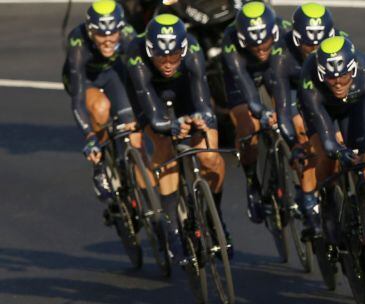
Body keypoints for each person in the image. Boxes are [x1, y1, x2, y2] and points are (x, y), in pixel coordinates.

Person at [298, 35, 365, 286]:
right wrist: (339, 151)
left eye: (343, 77)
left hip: (356, 109)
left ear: (353, 69)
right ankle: (327, 205)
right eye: (331, 78)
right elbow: (326, 135)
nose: (337, 83)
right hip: (320, 110)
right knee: (326, 156)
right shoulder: (310, 80)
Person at [126, 13, 228, 263]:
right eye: (162, 57)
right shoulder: (135, 54)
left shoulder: (192, 49)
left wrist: (200, 118)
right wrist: (170, 126)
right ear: (151, 50)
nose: (169, 62)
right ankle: (172, 229)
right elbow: (153, 115)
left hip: (185, 92)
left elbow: (203, 101)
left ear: (182, 49)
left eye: (174, 56)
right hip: (151, 96)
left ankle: (215, 219)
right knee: (163, 145)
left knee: (209, 158)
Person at [269, 2, 338, 236]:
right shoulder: (282, 55)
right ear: (297, 38)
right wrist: (295, 144)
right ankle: (308, 196)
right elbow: (282, 108)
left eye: (321, 43)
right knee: (304, 134)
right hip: (293, 94)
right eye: (309, 44)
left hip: (327, 93)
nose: (316, 48)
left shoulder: (341, 45)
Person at [62, 0, 141, 201]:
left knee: (131, 127)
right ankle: (101, 164)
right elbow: (78, 98)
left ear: (121, 29)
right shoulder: (78, 42)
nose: (107, 40)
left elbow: (141, 76)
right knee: (101, 108)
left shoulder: (128, 35)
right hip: (85, 80)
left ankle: (127, 167)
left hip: (112, 74)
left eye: (112, 33)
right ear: (90, 32)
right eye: (101, 34)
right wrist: (89, 137)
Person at [221, 1, 291, 224]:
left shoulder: (285, 29)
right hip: (242, 75)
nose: (261, 49)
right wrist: (259, 112)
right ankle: (252, 183)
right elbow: (248, 93)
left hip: (275, 69)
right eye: (254, 45)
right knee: (247, 125)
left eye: (266, 43)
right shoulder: (230, 42)